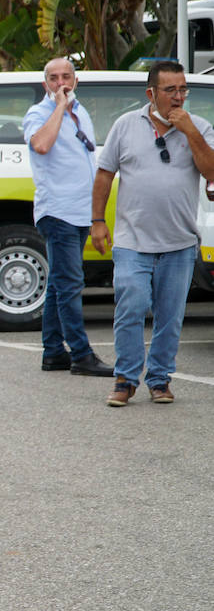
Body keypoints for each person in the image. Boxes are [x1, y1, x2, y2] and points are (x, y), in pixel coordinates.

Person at [91, 60, 214, 406]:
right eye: (170, 90)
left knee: (170, 316)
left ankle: (159, 379)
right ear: (151, 93)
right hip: (132, 240)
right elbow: (104, 174)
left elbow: (212, 171)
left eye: (183, 90)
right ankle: (125, 379)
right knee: (130, 301)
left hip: (179, 242)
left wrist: (190, 132)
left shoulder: (199, 128)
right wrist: (97, 221)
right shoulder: (126, 125)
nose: (178, 97)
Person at [22, 58, 112, 376]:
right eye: (53, 78)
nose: (61, 82)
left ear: (76, 79)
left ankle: (53, 353)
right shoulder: (39, 113)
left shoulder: (81, 111)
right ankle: (81, 354)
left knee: (59, 286)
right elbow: (42, 145)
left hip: (80, 212)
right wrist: (59, 107)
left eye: (66, 77)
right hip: (57, 211)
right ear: (45, 82)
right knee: (71, 284)